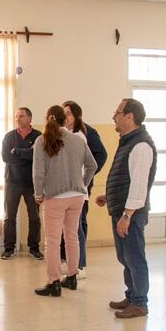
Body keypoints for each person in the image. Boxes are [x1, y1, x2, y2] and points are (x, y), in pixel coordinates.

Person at [95, 98, 157, 319]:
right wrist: (110, 196)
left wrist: (127, 215)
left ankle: (140, 303)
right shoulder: (128, 142)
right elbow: (126, 178)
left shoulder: (140, 145)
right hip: (122, 208)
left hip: (131, 213)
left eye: (118, 112)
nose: (114, 117)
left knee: (134, 256)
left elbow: (139, 185)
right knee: (125, 256)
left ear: (130, 116)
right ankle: (132, 296)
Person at [32, 106, 97, 297]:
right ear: (64, 120)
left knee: (52, 241)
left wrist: (38, 193)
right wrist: (82, 185)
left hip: (54, 197)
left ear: (47, 119)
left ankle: (53, 283)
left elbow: (38, 172)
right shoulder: (77, 139)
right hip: (76, 197)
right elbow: (92, 165)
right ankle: (72, 277)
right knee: (72, 237)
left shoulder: (41, 140)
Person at [60, 101, 108, 280]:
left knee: (78, 224)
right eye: (62, 113)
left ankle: (80, 264)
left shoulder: (85, 134)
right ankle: (69, 260)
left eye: (68, 113)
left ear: (77, 116)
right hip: (67, 187)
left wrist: (85, 180)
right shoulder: (65, 133)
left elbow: (100, 156)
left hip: (80, 186)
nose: (65, 117)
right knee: (70, 225)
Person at [1, 107, 43, 260]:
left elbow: (39, 157)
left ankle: (34, 247)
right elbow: (6, 157)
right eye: (16, 116)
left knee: (34, 217)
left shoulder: (39, 137)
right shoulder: (9, 137)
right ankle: (8, 248)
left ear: (30, 119)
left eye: (22, 116)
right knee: (9, 216)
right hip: (12, 182)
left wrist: (17, 152)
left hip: (33, 184)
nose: (18, 119)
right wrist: (27, 155)